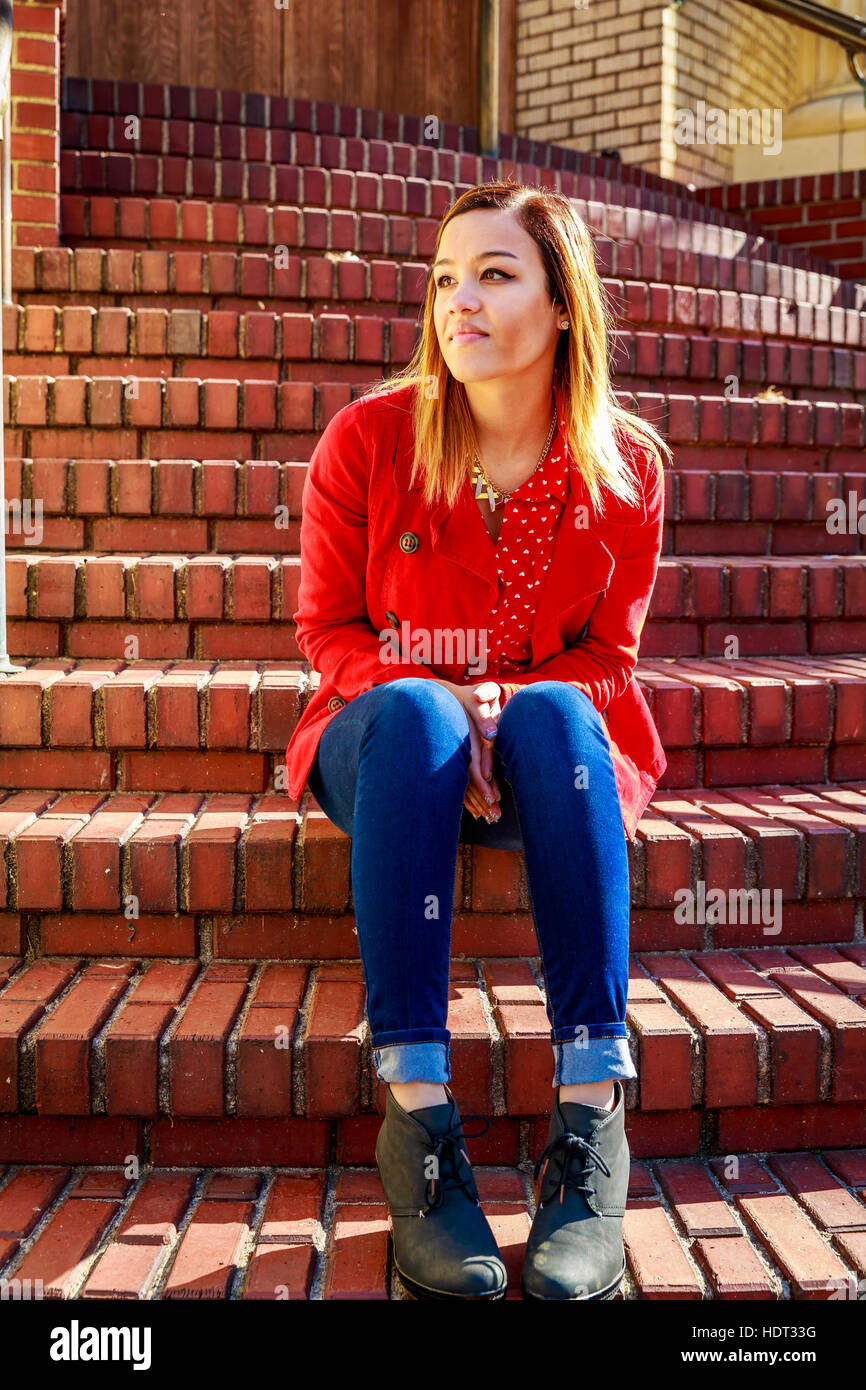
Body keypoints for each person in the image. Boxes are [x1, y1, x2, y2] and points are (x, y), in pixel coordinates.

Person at [285, 180, 672, 1300]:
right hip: (393, 750)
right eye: (446, 277)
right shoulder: (367, 439)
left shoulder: (626, 468)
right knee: (413, 709)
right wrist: (449, 702)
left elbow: (608, 658)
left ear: (562, 306)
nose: (460, 300)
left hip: (552, 761)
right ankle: (419, 1127)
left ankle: (590, 1128)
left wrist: (506, 704)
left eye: (495, 275)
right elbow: (328, 629)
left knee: (557, 709)